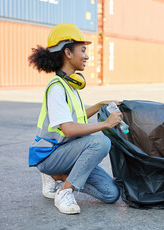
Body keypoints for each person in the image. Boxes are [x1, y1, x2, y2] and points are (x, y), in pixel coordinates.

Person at [28, 23, 121, 214]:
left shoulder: (70, 85)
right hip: (50, 155)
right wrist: (105, 124)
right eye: (83, 50)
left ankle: (58, 176)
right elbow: (69, 129)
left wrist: (100, 105)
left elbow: (75, 118)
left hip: (67, 152)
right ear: (68, 53)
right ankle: (65, 192)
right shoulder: (56, 87)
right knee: (100, 141)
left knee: (111, 194)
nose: (87, 56)